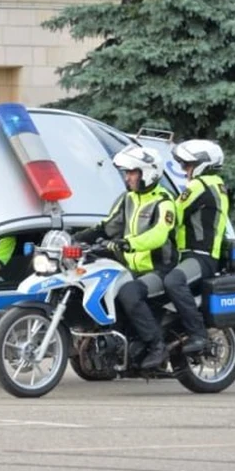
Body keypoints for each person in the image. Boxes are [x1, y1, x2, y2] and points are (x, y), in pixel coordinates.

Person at [72, 144, 177, 370]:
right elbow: (107, 227)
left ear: (147, 173)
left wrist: (129, 243)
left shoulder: (164, 202)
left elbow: (158, 235)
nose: (127, 178)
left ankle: (157, 346)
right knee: (104, 288)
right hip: (131, 269)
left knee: (129, 292)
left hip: (159, 269)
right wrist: (75, 239)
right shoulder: (128, 199)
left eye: (132, 173)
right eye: (127, 173)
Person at [163, 139, 229, 354]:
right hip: (199, 255)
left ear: (202, 163)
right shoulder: (216, 184)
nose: (184, 170)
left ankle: (198, 334)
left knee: (174, 281)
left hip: (200, 256)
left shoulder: (200, 185)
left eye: (187, 165)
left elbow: (174, 213)